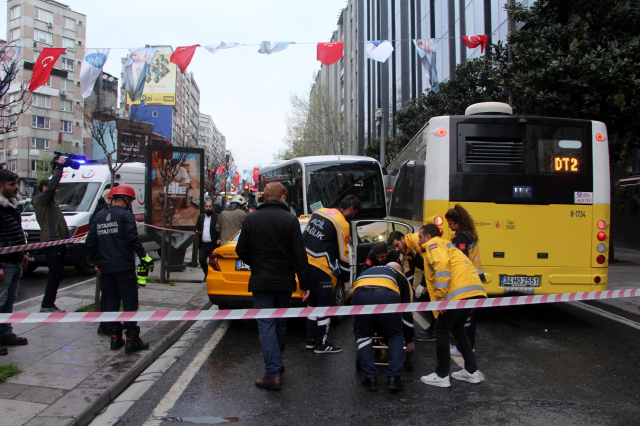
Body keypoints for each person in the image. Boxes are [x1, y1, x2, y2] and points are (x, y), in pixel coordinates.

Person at [236, 183, 310, 390]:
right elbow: (300, 254)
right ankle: (277, 363)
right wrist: (305, 284)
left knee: (266, 325)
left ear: (265, 197)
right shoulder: (290, 219)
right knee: (279, 323)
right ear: (283, 197)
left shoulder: (251, 218)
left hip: (261, 279)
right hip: (284, 280)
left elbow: (241, 250)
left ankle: (272, 372)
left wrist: (257, 262)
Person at [417, 224, 487, 388]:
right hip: (472, 292)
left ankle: (441, 375)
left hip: (456, 295)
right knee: (458, 329)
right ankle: (471, 371)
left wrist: (441, 297)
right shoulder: (446, 245)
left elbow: (442, 266)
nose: (419, 240)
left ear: (428, 237)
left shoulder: (433, 245)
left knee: (441, 331)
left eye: (420, 237)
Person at [86, 185, 154, 353]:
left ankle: (115, 338)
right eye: (130, 200)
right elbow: (133, 239)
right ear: (125, 199)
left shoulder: (99, 217)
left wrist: (97, 262)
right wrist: (144, 257)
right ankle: (132, 339)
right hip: (124, 268)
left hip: (106, 269)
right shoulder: (125, 216)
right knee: (130, 304)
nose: (131, 203)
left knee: (112, 304)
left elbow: (90, 242)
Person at [302, 195, 360, 354]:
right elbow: (344, 253)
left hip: (306, 264)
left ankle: (311, 341)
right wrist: (347, 279)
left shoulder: (320, 212)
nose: (353, 216)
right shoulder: (342, 223)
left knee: (312, 305)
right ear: (350, 209)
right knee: (324, 307)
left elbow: (306, 235)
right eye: (354, 213)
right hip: (322, 268)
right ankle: (321, 345)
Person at [352, 263, 415, 391]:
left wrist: (357, 330)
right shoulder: (401, 277)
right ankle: (394, 379)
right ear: (400, 271)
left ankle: (370, 379)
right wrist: (409, 339)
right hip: (387, 295)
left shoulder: (369, 271)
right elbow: (408, 311)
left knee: (363, 335)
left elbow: (356, 318)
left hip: (359, 292)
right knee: (395, 334)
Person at [445, 204, 486, 356]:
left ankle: (464, 347)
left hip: (468, 279)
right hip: (474, 278)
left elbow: (460, 260)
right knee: (469, 315)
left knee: (465, 317)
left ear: (458, 222)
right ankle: (468, 345)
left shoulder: (461, 237)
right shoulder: (467, 234)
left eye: (450, 223)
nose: (449, 227)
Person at [33, 156, 68, 313]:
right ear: (44, 189)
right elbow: (52, 185)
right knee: (55, 275)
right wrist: (59, 168)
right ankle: (47, 305)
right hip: (52, 243)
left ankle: (49, 303)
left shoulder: (51, 202)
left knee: (57, 274)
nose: (55, 190)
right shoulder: (42, 200)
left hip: (58, 242)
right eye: (52, 189)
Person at [0, 170, 29, 355]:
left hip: (15, 260)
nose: (16, 187)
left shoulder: (11, 206)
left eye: (16, 183)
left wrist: (23, 252)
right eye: (12, 184)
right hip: (4, 264)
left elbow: (16, 232)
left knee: (9, 301)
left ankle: (5, 333)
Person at [388, 230, 436, 342]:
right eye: (394, 247)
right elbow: (408, 271)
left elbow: (428, 263)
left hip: (437, 271)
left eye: (397, 245)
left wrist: (422, 284)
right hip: (431, 273)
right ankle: (433, 328)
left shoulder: (416, 241)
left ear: (403, 239)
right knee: (432, 299)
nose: (397, 249)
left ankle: (434, 332)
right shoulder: (406, 251)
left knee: (436, 300)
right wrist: (405, 289)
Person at [195, 200, 219, 281]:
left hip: (213, 244)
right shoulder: (200, 217)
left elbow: (220, 229)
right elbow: (197, 227)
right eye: (207, 206)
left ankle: (214, 276)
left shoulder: (217, 217)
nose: (208, 208)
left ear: (212, 207)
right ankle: (206, 274)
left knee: (214, 262)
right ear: (204, 207)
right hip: (203, 244)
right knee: (201, 259)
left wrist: (219, 238)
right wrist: (197, 231)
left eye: (210, 206)